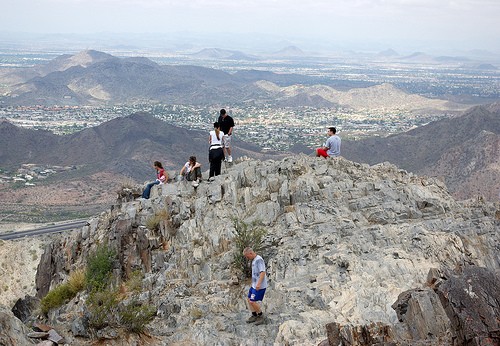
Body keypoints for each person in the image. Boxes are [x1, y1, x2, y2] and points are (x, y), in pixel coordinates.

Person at [243, 247, 268, 326]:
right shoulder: (254, 260)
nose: (247, 258)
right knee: (249, 299)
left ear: (250, 253)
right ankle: (254, 315)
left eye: (247, 256)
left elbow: (262, 272)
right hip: (254, 285)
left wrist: (259, 283)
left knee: (252, 301)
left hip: (259, 286)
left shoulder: (259, 260)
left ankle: (261, 316)